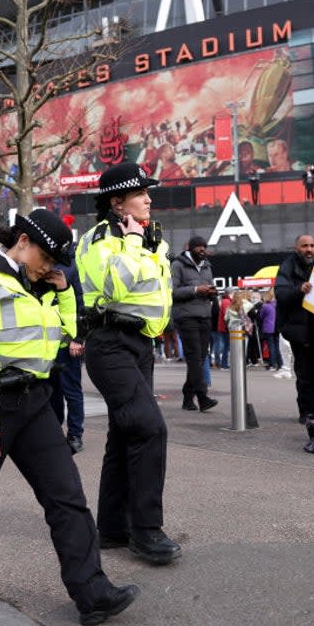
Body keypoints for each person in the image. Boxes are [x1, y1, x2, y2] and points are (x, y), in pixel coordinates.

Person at [0, 209, 139, 626]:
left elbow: (71, 332)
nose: (50, 267)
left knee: (66, 497)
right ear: (23, 242)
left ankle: (92, 593)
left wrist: (64, 289)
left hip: (34, 403)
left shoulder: (42, 286)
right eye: (48, 258)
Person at [75, 162, 180, 566]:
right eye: (141, 194)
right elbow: (115, 285)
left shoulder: (152, 238)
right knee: (150, 429)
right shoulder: (99, 238)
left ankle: (114, 529)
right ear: (117, 202)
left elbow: (159, 291)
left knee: (124, 435)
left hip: (140, 344)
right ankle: (146, 531)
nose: (149, 199)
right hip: (110, 343)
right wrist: (133, 242)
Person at [274, 234, 314, 423]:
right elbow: (281, 294)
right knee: (304, 371)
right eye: (305, 246)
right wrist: (299, 289)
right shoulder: (287, 266)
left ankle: (310, 400)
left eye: (312, 245)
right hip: (297, 328)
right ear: (296, 248)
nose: (309, 249)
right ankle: (306, 409)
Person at [170, 235, 218, 412]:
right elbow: (172, 292)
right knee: (194, 357)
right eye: (199, 247)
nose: (203, 250)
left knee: (201, 358)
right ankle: (202, 397)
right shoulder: (178, 265)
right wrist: (197, 289)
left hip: (204, 316)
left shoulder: (207, 266)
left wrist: (212, 292)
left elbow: (210, 286)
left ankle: (187, 397)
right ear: (191, 248)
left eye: (205, 247)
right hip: (186, 317)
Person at [48, 259, 86, 453]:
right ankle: (54, 433)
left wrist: (78, 338)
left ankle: (75, 434)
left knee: (71, 391)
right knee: (51, 392)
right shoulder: (40, 262)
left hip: (66, 343)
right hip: (46, 344)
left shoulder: (71, 266)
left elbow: (81, 303)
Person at [258, 290, 282, 372]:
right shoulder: (277, 305)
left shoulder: (265, 306)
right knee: (278, 346)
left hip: (268, 328)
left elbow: (261, 316)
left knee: (271, 347)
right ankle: (280, 364)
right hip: (277, 327)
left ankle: (272, 364)